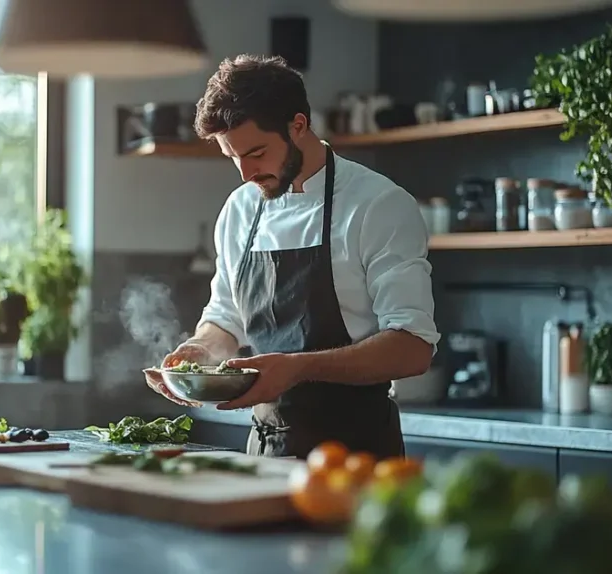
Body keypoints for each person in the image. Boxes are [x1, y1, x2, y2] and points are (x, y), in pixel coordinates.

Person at [144, 54, 440, 460]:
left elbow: (412, 347)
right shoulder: (240, 209)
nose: (246, 174)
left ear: (298, 125)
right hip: (265, 451)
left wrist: (296, 368)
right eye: (233, 158)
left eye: (257, 153)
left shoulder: (378, 205)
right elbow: (225, 318)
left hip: (357, 458)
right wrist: (198, 352)